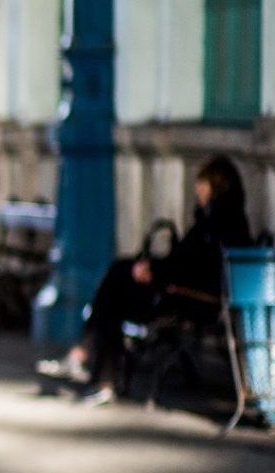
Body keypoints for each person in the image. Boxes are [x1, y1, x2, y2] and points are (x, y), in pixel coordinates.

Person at [38, 155, 254, 405]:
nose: (197, 189)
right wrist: (153, 268)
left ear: (216, 185)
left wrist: (156, 272)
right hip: (178, 289)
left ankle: (93, 366)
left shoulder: (220, 224)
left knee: (115, 289)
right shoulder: (213, 220)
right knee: (118, 277)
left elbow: (197, 269)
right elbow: (185, 261)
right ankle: (92, 367)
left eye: (202, 183)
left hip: (187, 298)